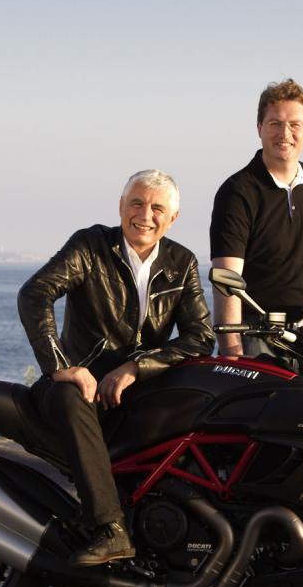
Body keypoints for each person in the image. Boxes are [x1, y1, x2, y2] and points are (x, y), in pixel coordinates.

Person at [18, 169, 214, 566]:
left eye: (157, 208)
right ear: (121, 207)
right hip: (82, 389)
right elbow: (35, 293)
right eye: (136, 203)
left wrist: (137, 367)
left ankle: (167, 556)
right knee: (70, 395)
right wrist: (61, 366)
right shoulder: (91, 246)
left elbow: (200, 336)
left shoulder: (181, 262)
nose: (145, 215)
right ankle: (110, 528)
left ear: (172, 218)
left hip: (138, 390)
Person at [210, 79, 303, 358]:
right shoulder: (237, 191)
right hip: (254, 338)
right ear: (259, 128)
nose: (285, 133)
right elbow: (227, 279)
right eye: (275, 124)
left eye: (295, 124)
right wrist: (231, 350)